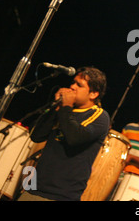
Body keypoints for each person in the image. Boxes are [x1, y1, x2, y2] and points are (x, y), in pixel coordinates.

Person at [18, 66, 110, 201]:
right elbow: (36, 135)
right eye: (73, 82)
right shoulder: (63, 109)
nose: (72, 87)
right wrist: (56, 107)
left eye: (79, 85)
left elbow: (74, 137)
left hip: (61, 195)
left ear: (93, 94)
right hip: (33, 189)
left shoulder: (100, 116)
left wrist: (66, 107)